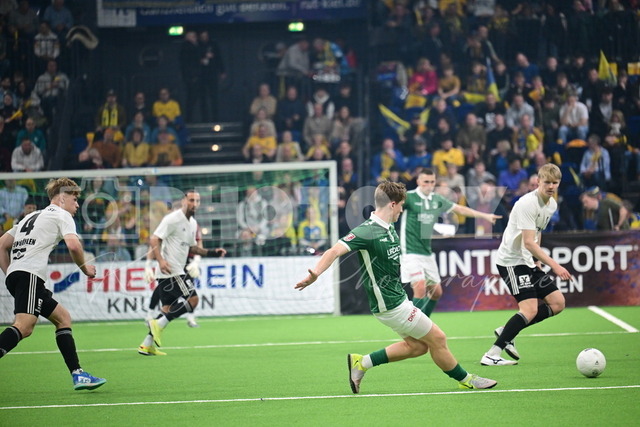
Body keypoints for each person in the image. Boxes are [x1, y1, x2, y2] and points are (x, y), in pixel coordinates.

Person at [295, 181, 497, 393]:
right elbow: (334, 251)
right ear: (392, 204)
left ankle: (362, 363)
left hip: (397, 300)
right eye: (401, 205)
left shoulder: (389, 226)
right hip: (390, 305)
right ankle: (467, 379)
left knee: (418, 347)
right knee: (438, 338)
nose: (402, 210)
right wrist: (315, 273)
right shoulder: (366, 231)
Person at [0, 178, 106, 390]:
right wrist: (85, 268)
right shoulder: (61, 214)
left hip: (21, 276)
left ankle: (78, 374)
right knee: (24, 327)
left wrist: (10, 272)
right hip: (29, 275)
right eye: (75, 199)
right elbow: (74, 246)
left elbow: (2, 244)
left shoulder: (30, 216)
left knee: (63, 318)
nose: (77, 205)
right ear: (62, 197)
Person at [480, 164, 573, 366]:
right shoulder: (527, 204)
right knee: (529, 309)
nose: (551, 186)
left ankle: (507, 331)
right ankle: (491, 354)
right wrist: (555, 266)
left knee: (558, 303)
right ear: (538, 181)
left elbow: (537, 233)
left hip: (527, 260)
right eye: (547, 182)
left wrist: (537, 261)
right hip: (511, 262)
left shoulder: (551, 205)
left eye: (555, 182)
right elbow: (529, 242)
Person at [400, 170, 501, 317]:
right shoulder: (409, 197)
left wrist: (485, 215)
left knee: (436, 292)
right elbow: (392, 208)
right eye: (426, 182)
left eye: (432, 182)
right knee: (420, 288)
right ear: (418, 182)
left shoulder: (436, 199)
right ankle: (415, 326)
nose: (429, 185)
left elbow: (459, 209)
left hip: (426, 252)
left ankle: (423, 321)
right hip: (409, 251)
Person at [139, 189, 227, 356]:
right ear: (183, 201)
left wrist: (212, 252)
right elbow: (154, 239)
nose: (194, 204)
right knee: (193, 300)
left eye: (197, 201)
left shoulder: (192, 223)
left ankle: (146, 344)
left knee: (167, 310)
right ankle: (157, 325)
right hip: (172, 270)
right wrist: (160, 260)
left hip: (170, 272)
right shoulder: (172, 219)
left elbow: (192, 248)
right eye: (191, 200)